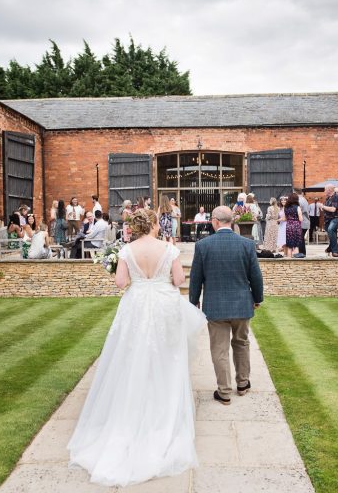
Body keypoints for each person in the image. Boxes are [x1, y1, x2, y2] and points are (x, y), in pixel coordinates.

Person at [68, 209, 206, 487]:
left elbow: (121, 283)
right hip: (165, 304)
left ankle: (133, 403)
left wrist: (133, 276)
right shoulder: (168, 249)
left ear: (135, 226)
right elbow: (179, 281)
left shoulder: (126, 250)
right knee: (167, 357)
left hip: (136, 304)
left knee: (132, 353)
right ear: (154, 224)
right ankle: (162, 407)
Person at [189, 206, 264, 406]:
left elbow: (196, 278)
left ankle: (224, 391)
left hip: (215, 306)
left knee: (219, 349)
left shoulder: (203, 245)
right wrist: (258, 298)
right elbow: (255, 276)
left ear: (214, 221)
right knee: (242, 343)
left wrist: (193, 301)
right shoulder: (247, 245)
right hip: (241, 304)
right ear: (232, 221)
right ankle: (242, 383)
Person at [318, 184, 338, 257]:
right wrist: (322, 208)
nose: (324, 191)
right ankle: (331, 247)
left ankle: (335, 251)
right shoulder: (328, 198)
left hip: (337, 217)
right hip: (328, 219)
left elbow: (333, 209)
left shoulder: (336, 196)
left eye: (325, 189)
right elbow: (327, 208)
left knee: (331, 229)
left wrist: (322, 206)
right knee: (332, 233)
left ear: (329, 190)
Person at [284, 193, 303, 258]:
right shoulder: (297, 207)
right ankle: (296, 262)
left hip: (288, 226)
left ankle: (289, 260)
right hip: (296, 226)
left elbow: (285, 218)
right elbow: (301, 219)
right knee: (296, 245)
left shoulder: (286, 208)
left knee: (289, 245)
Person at [297, 189, 310, 256]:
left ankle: (302, 253)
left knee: (300, 238)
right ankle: (302, 252)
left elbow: (299, 211)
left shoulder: (299, 200)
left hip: (302, 222)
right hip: (305, 221)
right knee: (300, 238)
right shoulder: (304, 199)